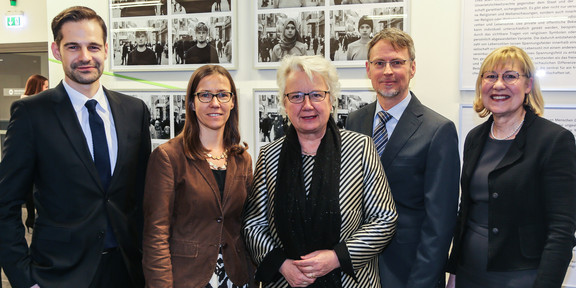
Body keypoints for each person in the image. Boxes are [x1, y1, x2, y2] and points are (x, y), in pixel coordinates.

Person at [0, 6, 151, 288]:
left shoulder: (135, 111)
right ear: (57, 51)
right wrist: (24, 278)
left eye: (93, 46)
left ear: (106, 49)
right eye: (73, 47)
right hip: (58, 275)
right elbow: (5, 204)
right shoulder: (31, 114)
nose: (85, 57)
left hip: (128, 272)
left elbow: (142, 196)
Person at [243, 55, 398, 287]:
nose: (307, 105)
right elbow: (253, 224)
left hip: (349, 281)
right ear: (284, 104)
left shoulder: (361, 148)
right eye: (296, 96)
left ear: (331, 100)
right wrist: (282, 264)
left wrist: (337, 257)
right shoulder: (269, 156)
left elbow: (384, 218)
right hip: (287, 282)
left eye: (316, 95)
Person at [445, 46, 576, 288]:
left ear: (528, 85)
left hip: (521, 278)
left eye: (510, 76)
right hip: (469, 273)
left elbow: (562, 229)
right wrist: (453, 272)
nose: (498, 85)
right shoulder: (475, 137)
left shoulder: (554, 140)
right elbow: (466, 212)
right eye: (490, 76)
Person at [346, 27, 460, 288]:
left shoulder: (438, 130)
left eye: (397, 62)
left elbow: (440, 223)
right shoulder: (355, 120)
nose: (387, 71)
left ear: (412, 68)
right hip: (357, 268)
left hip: (408, 272)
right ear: (368, 68)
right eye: (379, 63)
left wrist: (422, 281)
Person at [143, 65, 254, 288]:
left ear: (232, 102)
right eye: (205, 95)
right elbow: (156, 235)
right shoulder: (168, 157)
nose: (215, 103)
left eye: (223, 95)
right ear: (192, 103)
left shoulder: (242, 159)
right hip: (187, 279)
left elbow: (245, 225)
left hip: (235, 278)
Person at [18, 74, 49, 233]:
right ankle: (31, 219)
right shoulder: (25, 107)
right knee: (31, 191)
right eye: (45, 87)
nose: (47, 90)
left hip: (42, 155)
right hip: (32, 157)